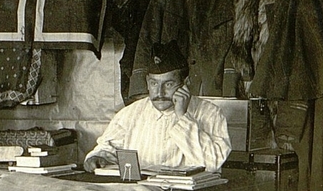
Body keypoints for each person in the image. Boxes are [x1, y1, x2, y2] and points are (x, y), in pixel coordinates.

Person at [84, 41, 231, 173]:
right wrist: (98, 157)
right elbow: (107, 148)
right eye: (154, 83)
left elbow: (212, 163)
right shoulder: (131, 113)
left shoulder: (210, 113)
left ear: (186, 82)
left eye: (168, 84)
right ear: (147, 82)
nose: (159, 93)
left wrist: (182, 116)